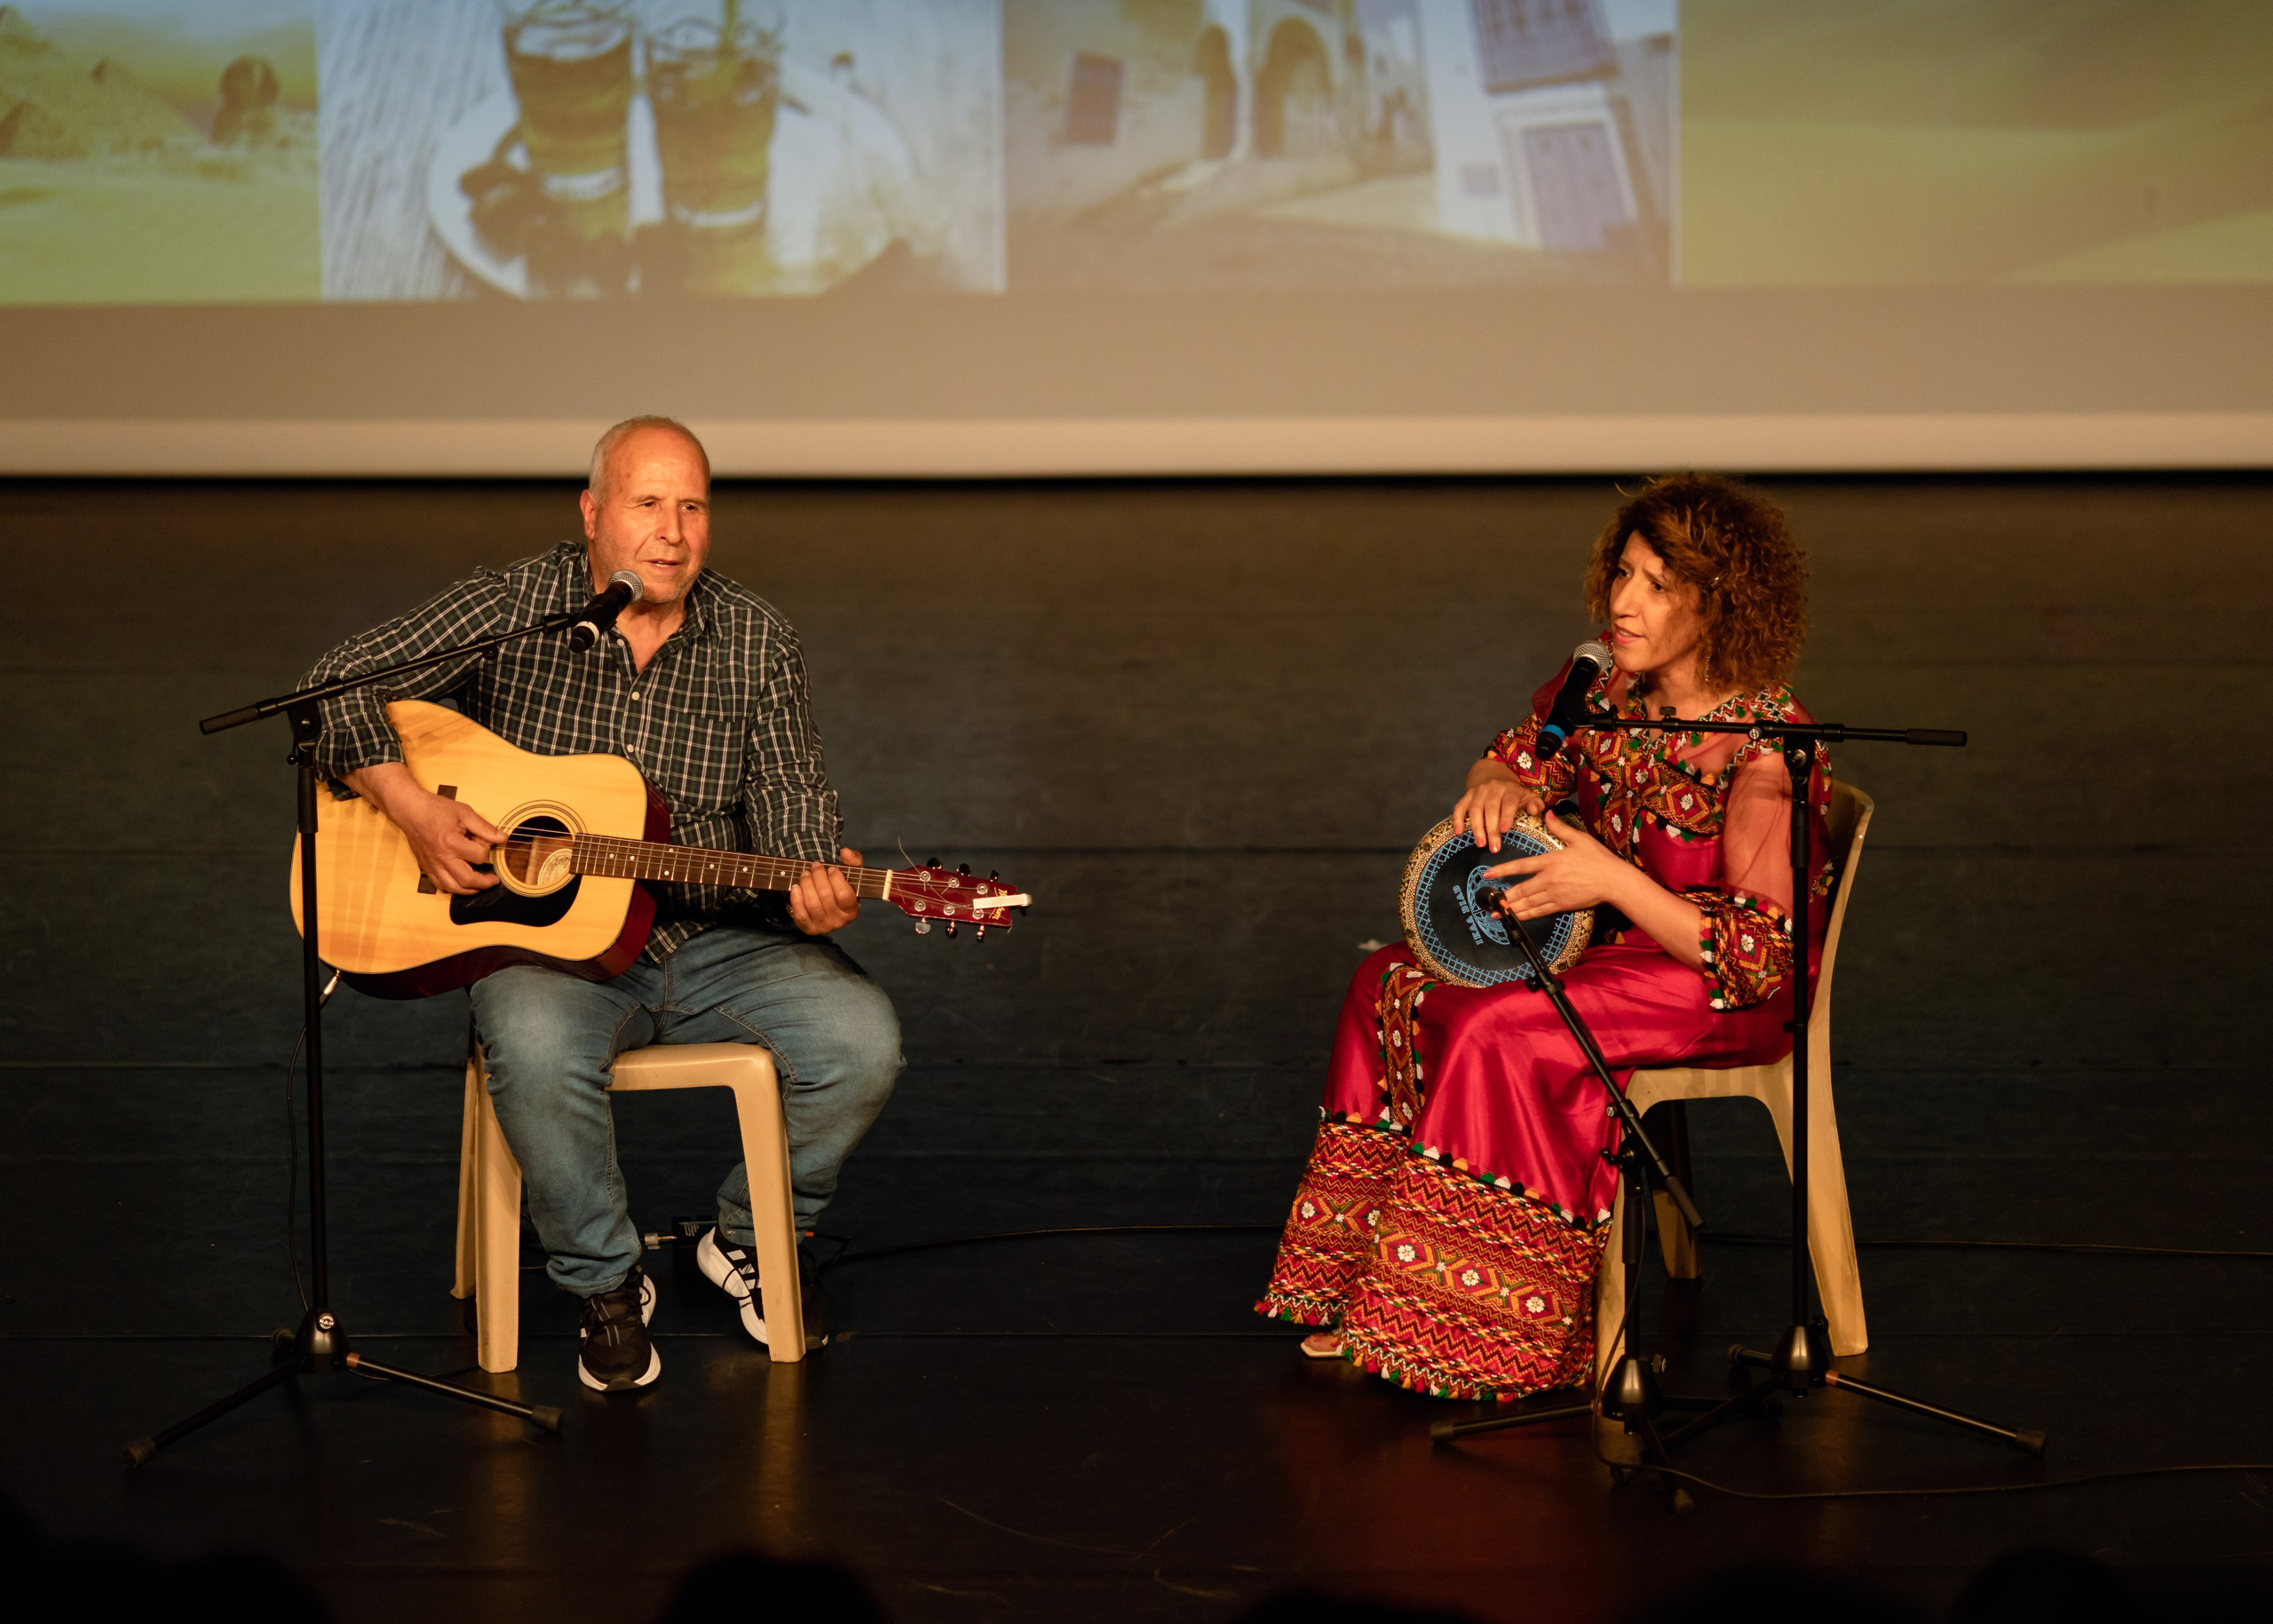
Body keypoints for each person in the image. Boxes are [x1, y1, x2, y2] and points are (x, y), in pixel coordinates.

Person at [303, 416, 902, 1392]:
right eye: (647, 503)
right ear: (592, 513)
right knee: (533, 1048)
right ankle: (605, 1281)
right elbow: (333, 687)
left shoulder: (757, 638)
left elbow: (793, 829)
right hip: (549, 953)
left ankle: (746, 1236)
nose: (672, 530)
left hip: (711, 936)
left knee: (861, 1037)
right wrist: (412, 807)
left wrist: (816, 895)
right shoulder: (518, 603)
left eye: (693, 506)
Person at [1256, 472, 1830, 1401]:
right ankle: (1387, 1285)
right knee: (1389, 982)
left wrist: (1607, 879)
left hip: (1709, 986)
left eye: (1654, 585)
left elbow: (1758, 955)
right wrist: (1495, 781)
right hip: (1611, 958)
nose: (1621, 602)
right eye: (1623, 574)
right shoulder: (1603, 691)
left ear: (1716, 604)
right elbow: (1516, 750)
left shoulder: (1764, 749)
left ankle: (1480, 1324)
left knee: (1498, 1026)